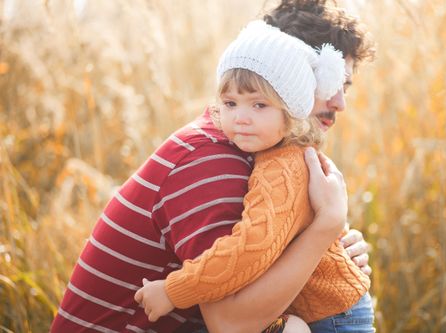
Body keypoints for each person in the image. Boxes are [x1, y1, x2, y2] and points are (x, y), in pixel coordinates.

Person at [50, 1, 375, 332]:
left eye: (344, 86)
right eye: (328, 81)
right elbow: (230, 324)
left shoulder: (260, 149)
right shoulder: (214, 159)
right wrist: (326, 227)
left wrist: (329, 252)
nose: (340, 103)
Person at [134, 18, 373, 333]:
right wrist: (326, 229)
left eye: (259, 104)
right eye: (230, 103)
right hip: (330, 312)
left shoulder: (282, 165)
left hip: (333, 318)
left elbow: (250, 248)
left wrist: (172, 291)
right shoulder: (229, 157)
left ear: (292, 112)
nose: (241, 118)